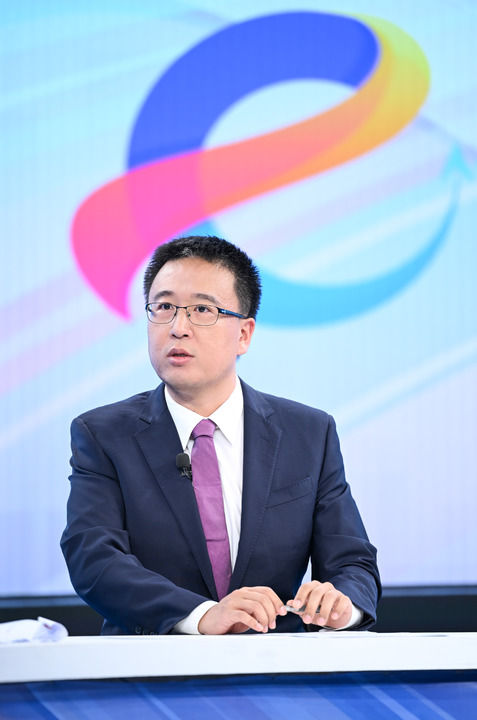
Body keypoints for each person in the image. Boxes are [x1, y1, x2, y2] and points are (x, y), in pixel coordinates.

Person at [61, 235, 380, 635]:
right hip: (150, 664)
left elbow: (352, 562)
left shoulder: (308, 434)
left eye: (202, 310)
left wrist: (342, 606)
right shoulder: (103, 435)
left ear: (244, 334)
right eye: (163, 307)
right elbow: (94, 561)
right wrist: (201, 615)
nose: (178, 328)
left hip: (276, 664)